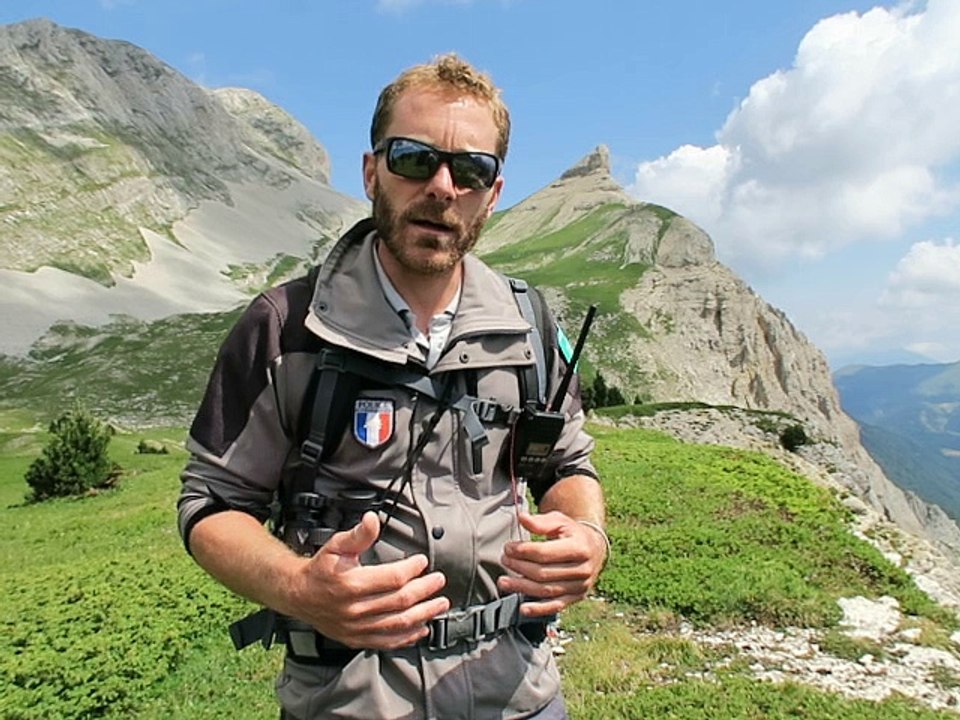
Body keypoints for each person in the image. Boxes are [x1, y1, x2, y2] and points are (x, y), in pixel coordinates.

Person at [177, 53, 608, 720]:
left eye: (471, 171)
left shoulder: (529, 324)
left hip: (520, 696)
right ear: (371, 170)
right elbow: (211, 504)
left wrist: (588, 535)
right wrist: (297, 585)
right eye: (414, 159)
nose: (442, 187)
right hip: (349, 703)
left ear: (492, 194)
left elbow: (567, 463)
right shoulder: (284, 327)